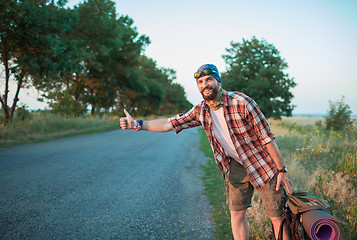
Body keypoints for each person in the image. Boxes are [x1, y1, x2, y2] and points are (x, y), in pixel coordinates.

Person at [120, 64, 293, 240]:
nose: (205, 84)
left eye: (209, 79)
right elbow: (169, 123)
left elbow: (267, 138)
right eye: (200, 81)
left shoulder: (242, 102)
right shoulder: (201, 110)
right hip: (236, 166)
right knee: (236, 213)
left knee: (277, 216)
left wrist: (282, 170)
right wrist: (138, 124)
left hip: (263, 163)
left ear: (218, 81)